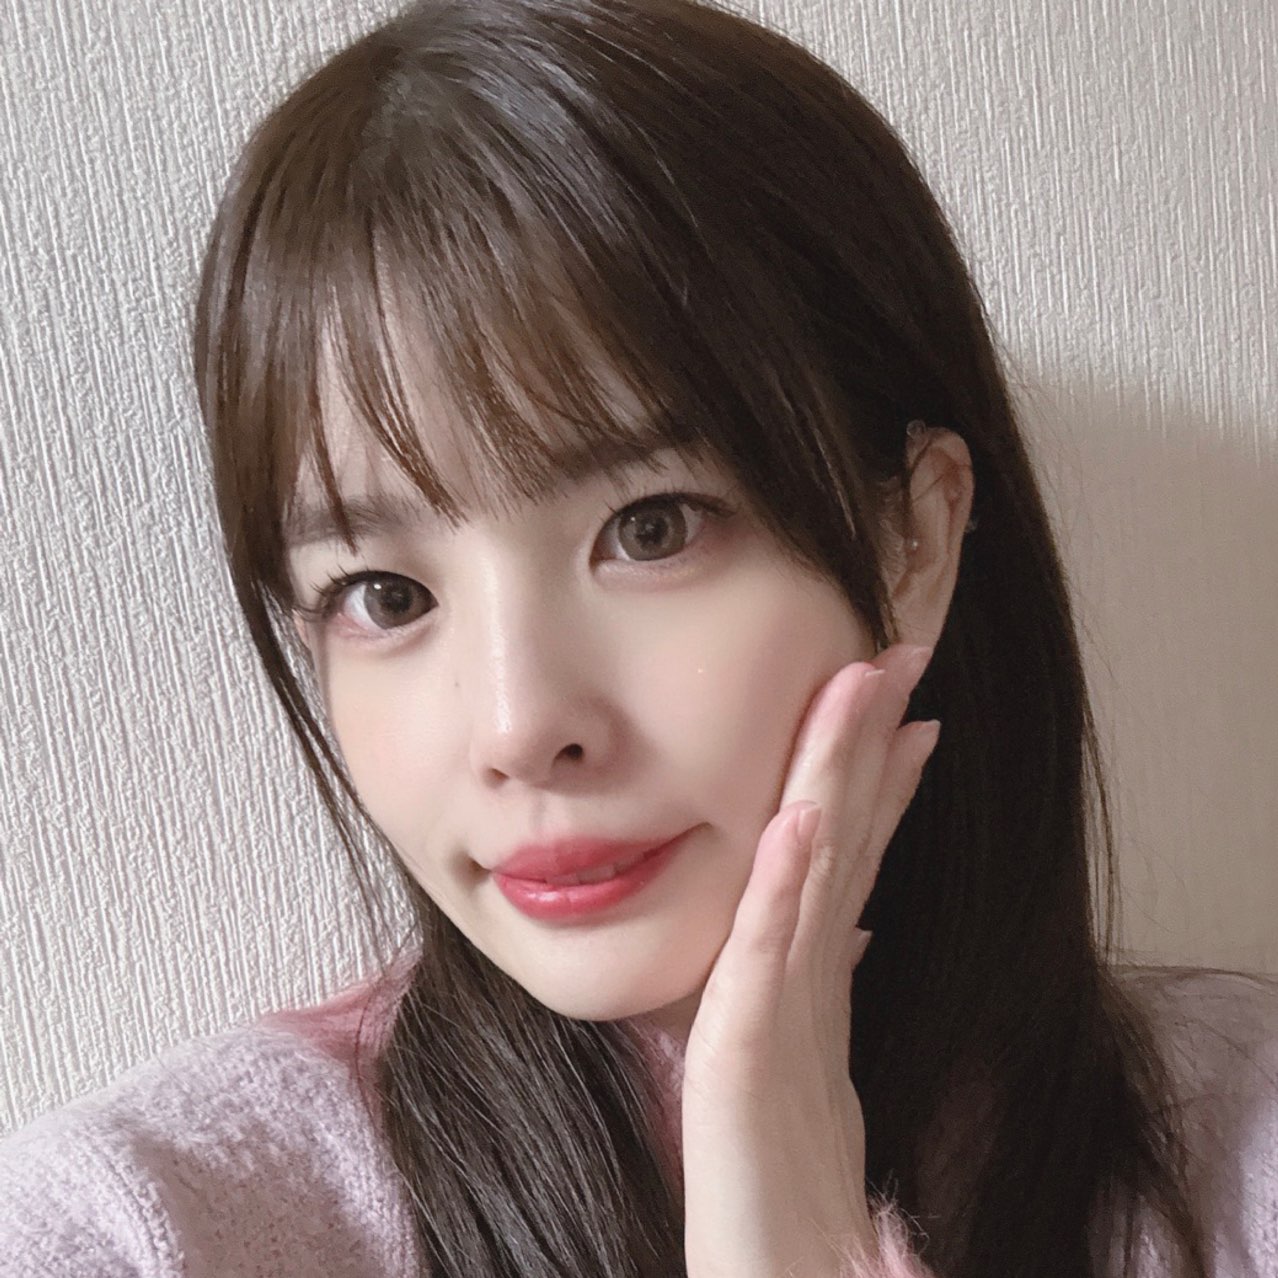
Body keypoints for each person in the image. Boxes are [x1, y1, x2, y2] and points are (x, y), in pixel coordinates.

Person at [1, 0, 1275, 1274]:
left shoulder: (1237, 1149)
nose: (520, 726)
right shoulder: (141, 1227)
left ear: (916, 539)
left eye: (651, 528)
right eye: (385, 595)